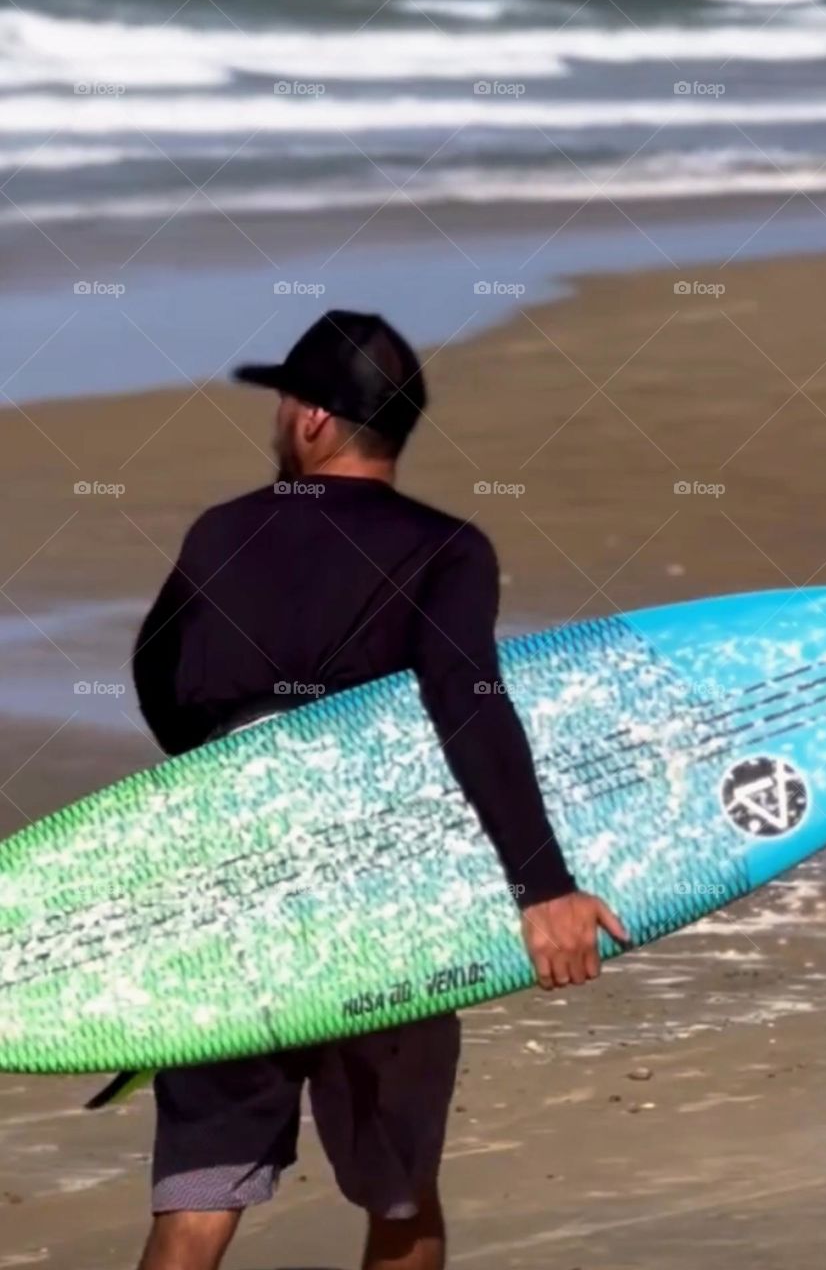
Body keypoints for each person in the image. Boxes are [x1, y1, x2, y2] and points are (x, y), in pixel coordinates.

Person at [132, 309, 627, 1270]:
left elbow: (160, 682)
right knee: (399, 1195)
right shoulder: (446, 549)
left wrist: (232, 789)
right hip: (378, 897)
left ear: (313, 418)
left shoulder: (221, 533)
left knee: (195, 1202)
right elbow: (469, 705)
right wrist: (542, 887)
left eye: (285, 401)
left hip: (232, 900)